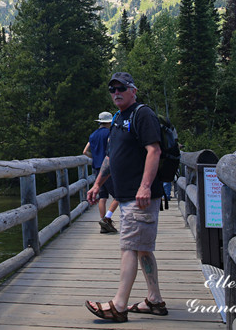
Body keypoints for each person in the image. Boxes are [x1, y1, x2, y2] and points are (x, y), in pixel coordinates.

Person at [84, 72, 167, 323]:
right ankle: (154, 300)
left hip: (138, 196)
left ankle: (118, 306)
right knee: (142, 248)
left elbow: (154, 150)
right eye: (112, 89)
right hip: (127, 194)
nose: (116, 92)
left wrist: (145, 186)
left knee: (129, 247)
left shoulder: (143, 114)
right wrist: (98, 184)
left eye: (121, 88)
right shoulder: (119, 118)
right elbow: (111, 156)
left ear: (133, 90)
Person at [83, 111, 120, 233]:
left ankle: (103, 223)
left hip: (96, 169)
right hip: (108, 169)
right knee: (119, 196)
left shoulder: (93, 135)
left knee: (102, 197)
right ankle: (107, 219)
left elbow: (85, 152)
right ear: (110, 122)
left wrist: (95, 157)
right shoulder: (110, 133)